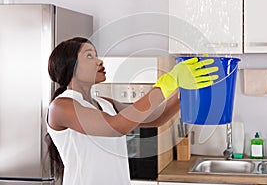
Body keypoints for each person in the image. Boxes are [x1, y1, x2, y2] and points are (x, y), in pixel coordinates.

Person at [45, 37, 218, 184]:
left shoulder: (104, 103)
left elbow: (155, 117)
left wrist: (184, 90)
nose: (99, 61)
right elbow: (116, 126)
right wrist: (167, 82)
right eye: (89, 56)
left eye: (96, 55)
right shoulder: (61, 107)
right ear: (70, 67)